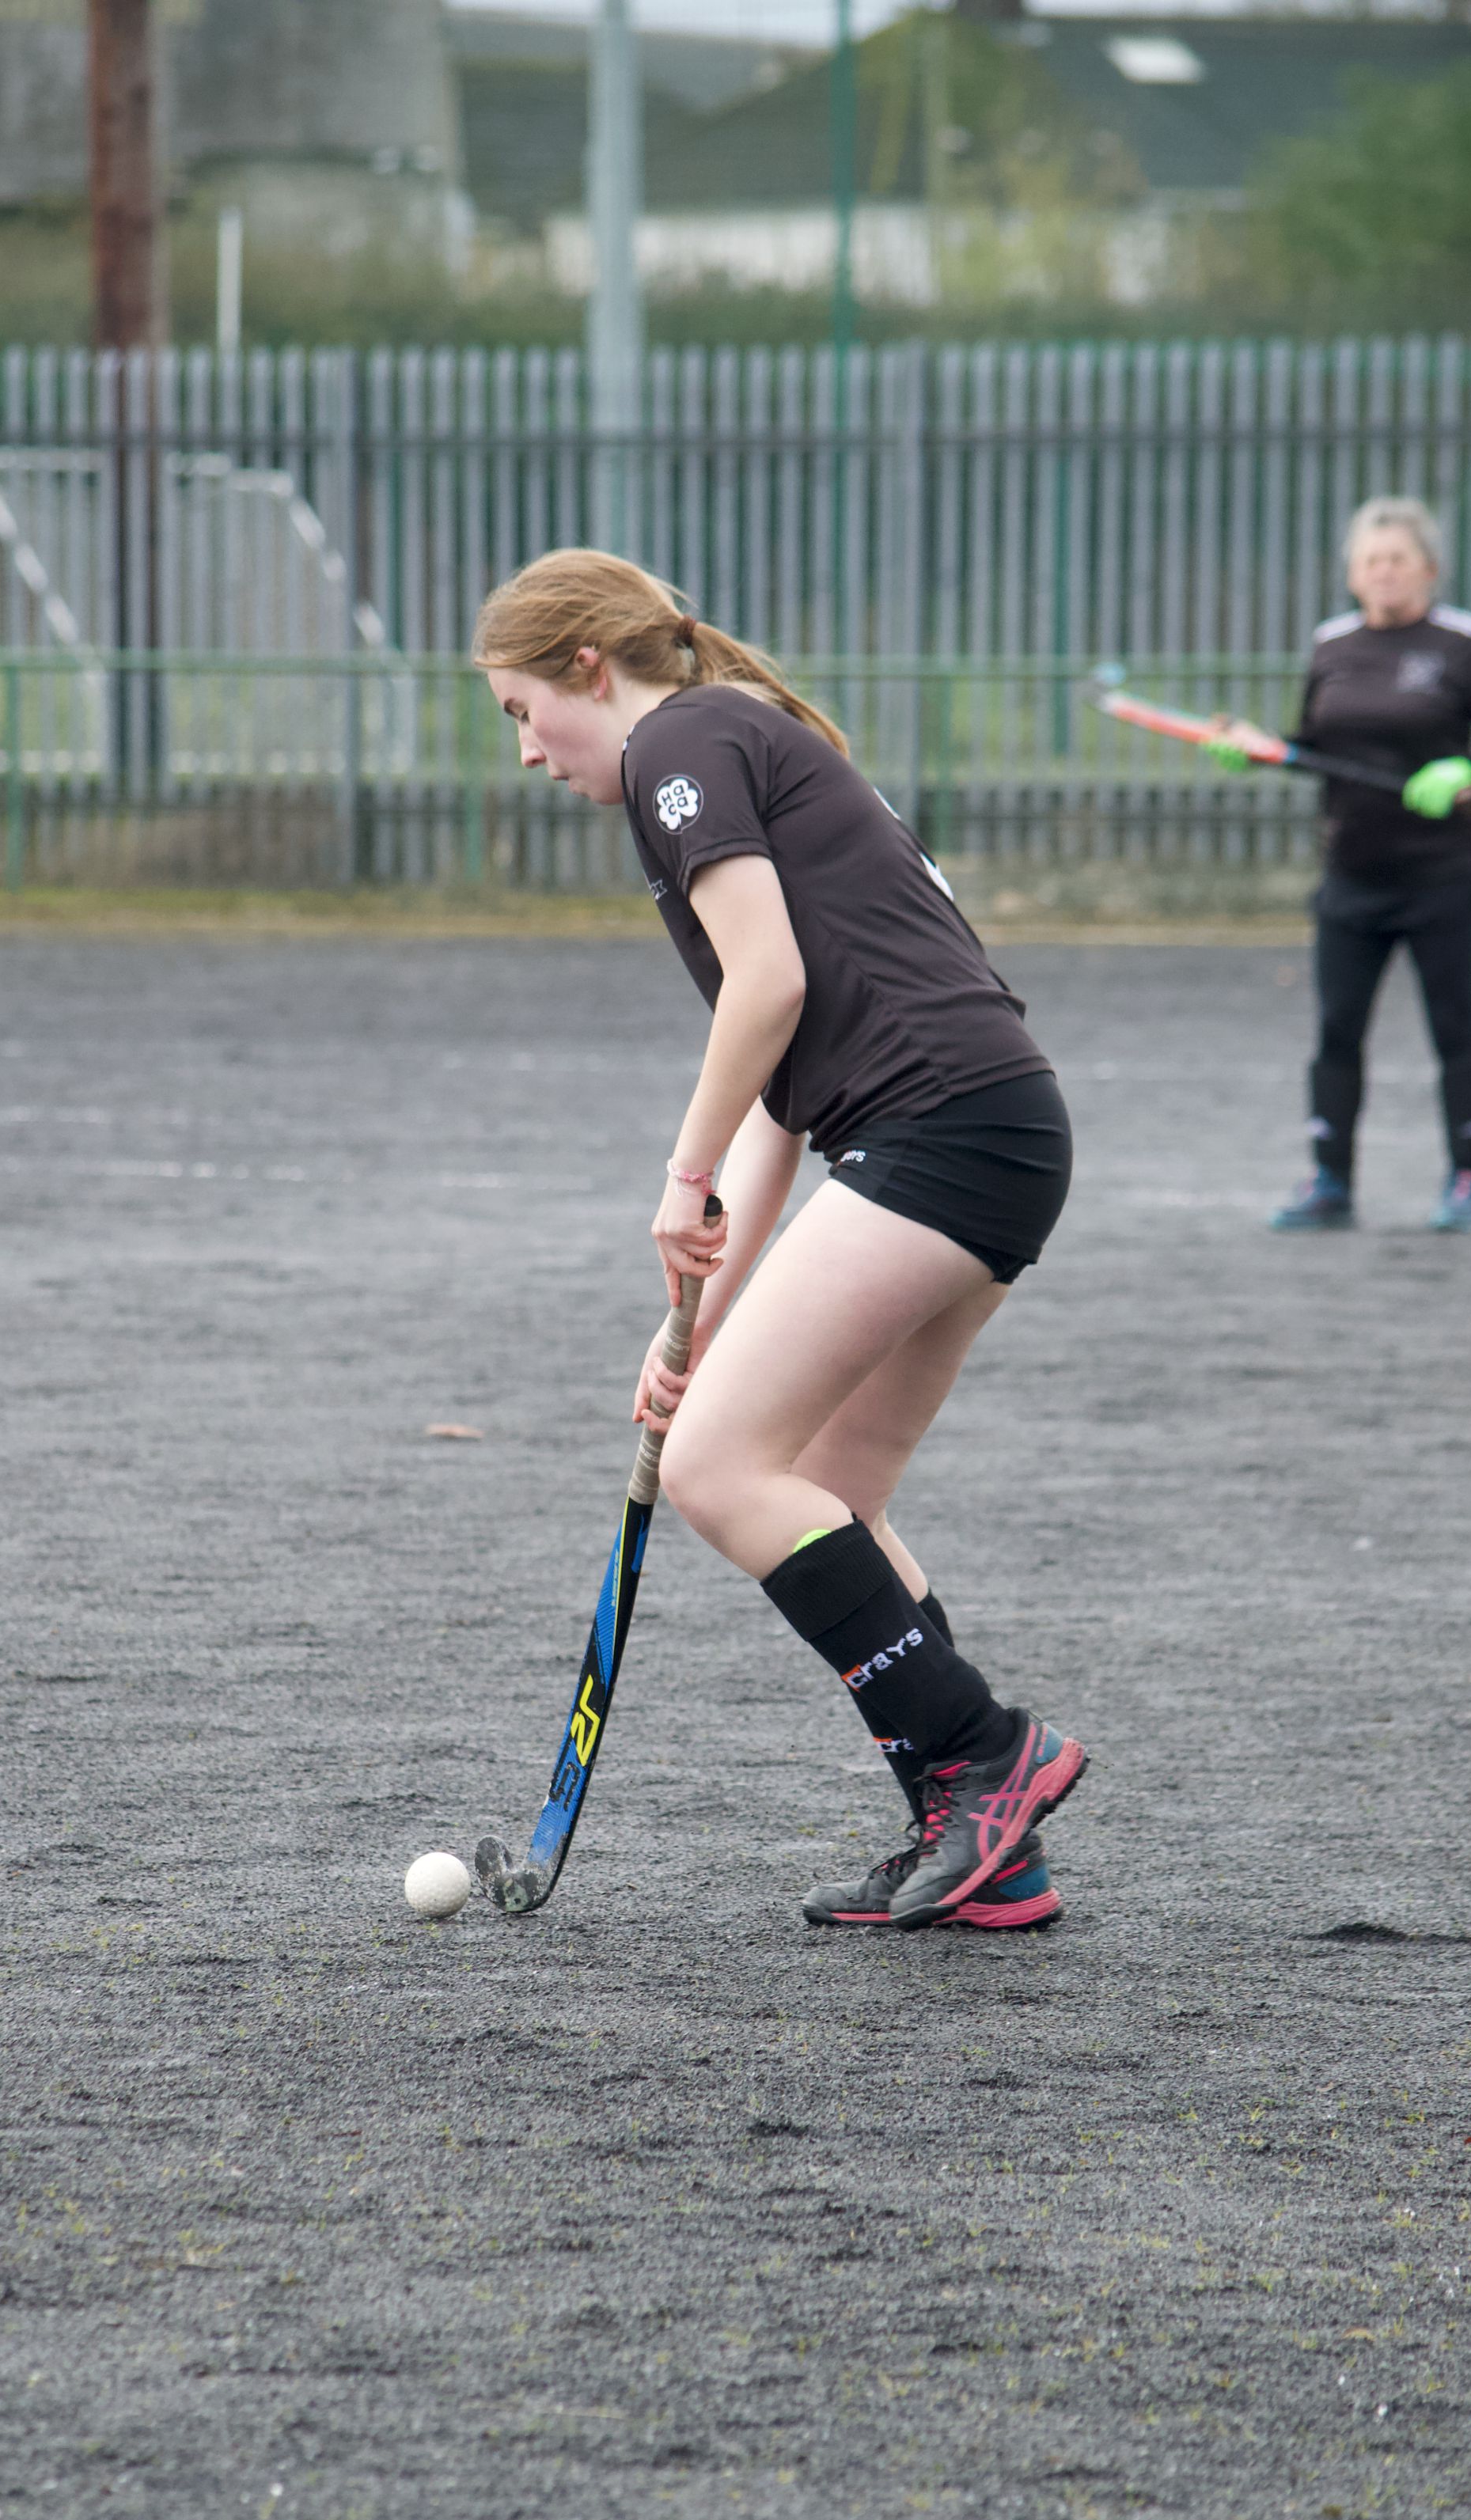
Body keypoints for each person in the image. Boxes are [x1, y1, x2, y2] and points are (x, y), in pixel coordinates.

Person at [472, 548, 1086, 1935]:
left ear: (587, 666)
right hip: (982, 1126)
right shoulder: (738, 741)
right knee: (825, 1479)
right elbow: (782, 1090)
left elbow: (770, 985)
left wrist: (676, 1173)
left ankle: (987, 1755)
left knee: (716, 1467)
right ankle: (982, 1839)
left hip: (942, 1130)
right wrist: (690, 1313)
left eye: (520, 709)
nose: (524, 752)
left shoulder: (677, 742)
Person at [1209, 495, 1471, 1235]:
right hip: (1350, 877)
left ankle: (1468, 1180)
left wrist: (1467, 772)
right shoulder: (1333, 644)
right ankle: (1330, 1180)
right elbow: (1314, 747)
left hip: (1440, 876)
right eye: (1369, 561)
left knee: (1454, 1029)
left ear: (1427, 568)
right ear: (1352, 574)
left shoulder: (1464, 643)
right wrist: (1262, 749)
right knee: (1336, 1032)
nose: (1383, 573)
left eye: (1396, 560)